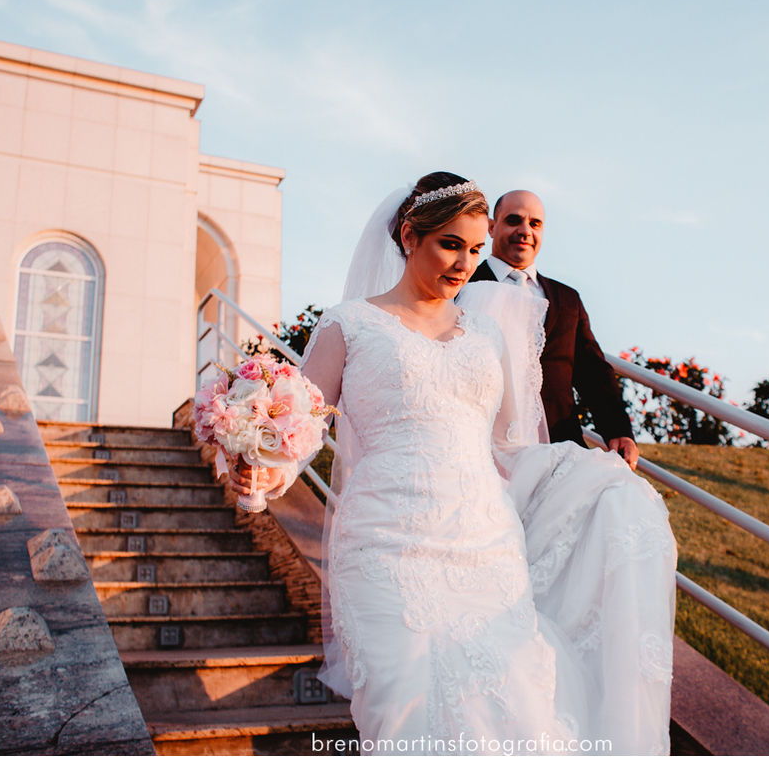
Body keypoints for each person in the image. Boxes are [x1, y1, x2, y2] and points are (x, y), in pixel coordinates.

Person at [234, 172, 676, 755]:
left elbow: (509, 443)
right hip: (383, 544)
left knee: (511, 709)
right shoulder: (349, 324)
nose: (465, 264)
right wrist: (265, 471)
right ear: (410, 236)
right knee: (405, 712)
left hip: (485, 548)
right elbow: (302, 430)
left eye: (473, 248)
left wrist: (591, 480)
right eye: (450, 245)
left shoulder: (487, 333)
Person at [469, 191, 640, 470]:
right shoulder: (462, 284)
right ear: (491, 226)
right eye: (514, 220)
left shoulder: (567, 298)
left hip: (561, 446)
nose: (525, 231)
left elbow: (593, 371)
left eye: (535, 224)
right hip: (482, 447)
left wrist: (617, 430)